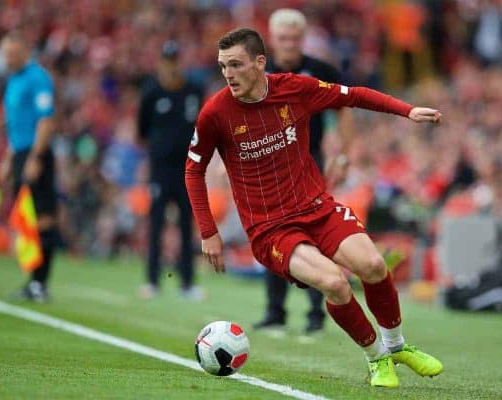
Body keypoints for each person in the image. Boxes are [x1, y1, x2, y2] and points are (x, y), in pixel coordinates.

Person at [185, 28, 443, 388]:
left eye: (236, 64)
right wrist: (209, 231)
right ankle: (376, 359)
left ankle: (397, 345)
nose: (228, 74)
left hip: (316, 207)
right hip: (271, 228)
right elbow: (193, 169)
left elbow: (352, 96)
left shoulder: (294, 88)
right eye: (223, 66)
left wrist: (408, 110)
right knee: (335, 283)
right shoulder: (215, 113)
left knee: (373, 265)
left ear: (260, 63)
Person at [254, 8, 355, 335]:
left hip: (309, 168)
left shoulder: (320, 71)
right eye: (283, 38)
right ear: (272, 39)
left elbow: (344, 110)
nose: (289, 44)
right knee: (272, 237)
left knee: (312, 236)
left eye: (295, 38)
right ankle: (275, 312)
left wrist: (343, 155)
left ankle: (316, 314)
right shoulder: (258, 72)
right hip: (267, 168)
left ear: (303, 38)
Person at [137, 40, 205, 300]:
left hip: (188, 170)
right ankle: (153, 280)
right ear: (161, 62)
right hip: (160, 169)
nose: (171, 65)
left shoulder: (193, 91)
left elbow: (202, 126)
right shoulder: (151, 92)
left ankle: (187, 283)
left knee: (187, 225)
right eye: (167, 60)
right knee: (156, 224)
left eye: (175, 60)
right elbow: (142, 130)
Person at [0, 31, 58, 302]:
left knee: (42, 217)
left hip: (36, 153)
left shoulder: (37, 77)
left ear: (24, 50)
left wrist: (35, 157)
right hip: (21, 151)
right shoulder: (13, 79)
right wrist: (9, 158)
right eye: (4, 53)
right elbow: (16, 124)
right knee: (28, 219)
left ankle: (40, 284)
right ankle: (33, 281)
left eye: (11, 53)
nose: (7, 58)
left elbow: (45, 120)